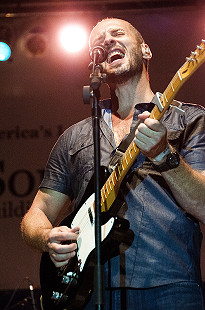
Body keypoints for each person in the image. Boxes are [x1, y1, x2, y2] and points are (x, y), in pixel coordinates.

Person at [21, 18, 205, 309]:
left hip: (169, 287)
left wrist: (163, 155)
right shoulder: (75, 137)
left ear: (146, 50)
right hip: (89, 291)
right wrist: (46, 237)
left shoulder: (190, 120)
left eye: (118, 34)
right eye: (98, 43)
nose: (107, 42)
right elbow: (37, 213)